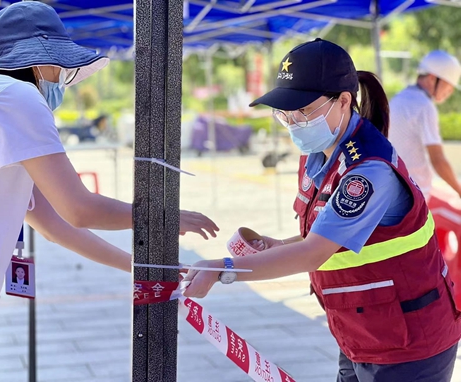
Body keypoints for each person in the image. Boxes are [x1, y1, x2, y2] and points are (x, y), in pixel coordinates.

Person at [0, 3, 218, 381]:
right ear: (40, 60)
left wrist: (141, 267)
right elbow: (79, 209)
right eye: (60, 68)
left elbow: (55, 223)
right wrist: (163, 217)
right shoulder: (13, 97)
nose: (62, 80)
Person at [184, 38, 461, 382]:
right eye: (284, 112)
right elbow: (325, 235)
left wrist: (225, 268)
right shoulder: (320, 151)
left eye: (304, 110)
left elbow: (314, 252)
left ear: (343, 101)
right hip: (362, 330)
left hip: (409, 342)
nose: (293, 121)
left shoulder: (367, 172)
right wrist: (280, 245)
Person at [388, 50, 461, 201]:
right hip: (414, 195)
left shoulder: (399, 98)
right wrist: (459, 190)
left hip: (394, 189)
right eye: (448, 86)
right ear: (433, 78)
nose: (450, 92)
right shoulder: (424, 106)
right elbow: (438, 159)